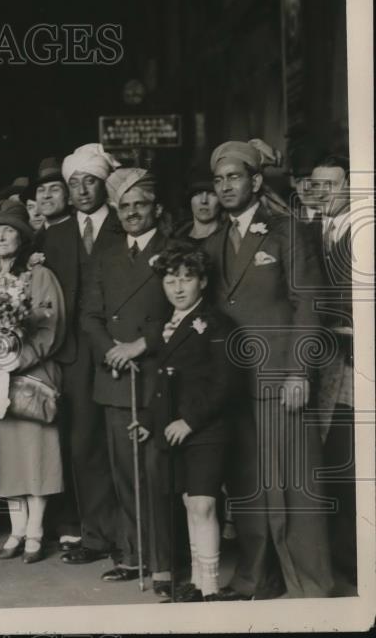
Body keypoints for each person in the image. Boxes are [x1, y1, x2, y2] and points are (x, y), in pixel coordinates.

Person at [202, 140, 334, 599]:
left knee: (295, 483)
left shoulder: (285, 229)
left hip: (281, 379)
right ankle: (256, 578)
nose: (225, 187)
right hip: (235, 384)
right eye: (218, 180)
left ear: (256, 181)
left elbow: (309, 302)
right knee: (249, 485)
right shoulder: (215, 240)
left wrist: (301, 371)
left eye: (234, 177)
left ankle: (311, 584)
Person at [81, 167, 173, 593]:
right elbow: (90, 314)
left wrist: (141, 344)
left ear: (155, 207)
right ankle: (134, 554)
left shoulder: (175, 248)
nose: (133, 212)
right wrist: (112, 350)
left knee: (157, 470)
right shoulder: (107, 255)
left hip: (159, 374)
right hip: (117, 375)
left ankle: (164, 560)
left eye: (141, 204)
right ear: (116, 211)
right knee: (125, 472)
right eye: (125, 206)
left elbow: (186, 311)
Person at [0, 200, 66, 565]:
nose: (2, 236)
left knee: (34, 456)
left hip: (29, 378)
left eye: (9, 230)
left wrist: (15, 361)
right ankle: (16, 531)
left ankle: (36, 532)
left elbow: (50, 330)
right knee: (5, 458)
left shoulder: (40, 277)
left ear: (23, 238)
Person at [40, 144, 122, 565]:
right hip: (74, 356)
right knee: (83, 445)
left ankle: (131, 535)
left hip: (119, 350)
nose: (82, 190)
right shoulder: (54, 235)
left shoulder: (124, 226)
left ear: (105, 184)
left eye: (90, 181)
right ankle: (95, 535)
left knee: (123, 444)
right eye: (74, 183)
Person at [147, 242, 236, 601]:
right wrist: (153, 423)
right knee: (189, 503)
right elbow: (163, 385)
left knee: (203, 504)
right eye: (171, 280)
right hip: (174, 430)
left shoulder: (216, 323)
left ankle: (211, 586)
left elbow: (225, 383)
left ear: (202, 281)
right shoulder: (165, 324)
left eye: (187, 279)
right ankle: (198, 583)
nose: (179, 287)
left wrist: (190, 420)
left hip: (206, 429)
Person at [310, 155, 356, 584]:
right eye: (316, 184)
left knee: (352, 458)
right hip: (329, 362)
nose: (324, 193)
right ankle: (342, 559)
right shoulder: (317, 229)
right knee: (332, 457)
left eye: (332, 184)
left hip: (356, 360)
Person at [172, 170, 223, 242]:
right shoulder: (175, 237)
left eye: (212, 194)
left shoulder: (227, 239)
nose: (204, 201)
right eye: (198, 193)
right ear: (190, 199)